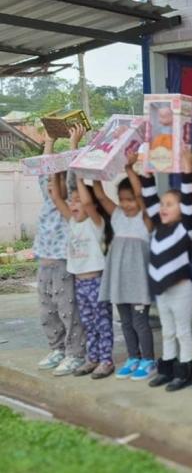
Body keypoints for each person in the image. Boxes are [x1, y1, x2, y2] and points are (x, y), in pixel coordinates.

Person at [48, 128, 113, 379]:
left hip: (97, 281)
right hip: (79, 282)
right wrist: (56, 167)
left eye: (78, 201)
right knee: (88, 323)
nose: (74, 204)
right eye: (72, 201)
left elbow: (86, 201)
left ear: (91, 206)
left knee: (102, 322)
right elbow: (56, 197)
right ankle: (92, 358)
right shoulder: (73, 222)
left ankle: (106, 360)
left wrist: (76, 151)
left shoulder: (96, 222)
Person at [93, 151, 155, 381]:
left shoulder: (145, 219)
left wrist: (129, 169)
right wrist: (93, 171)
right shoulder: (117, 216)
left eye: (130, 200)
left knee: (140, 322)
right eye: (122, 200)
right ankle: (133, 357)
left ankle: (148, 359)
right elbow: (100, 197)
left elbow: (140, 194)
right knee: (126, 323)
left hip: (138, 282)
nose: (126, 204)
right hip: (119, 280)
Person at [141, 147, 192, 391]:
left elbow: (189, 199)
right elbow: (149, 198)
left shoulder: (186, 228)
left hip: (181, 289)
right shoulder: (158, 227)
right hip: (162, 290)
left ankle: (184, 372)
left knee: (183, 332)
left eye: (170, 204)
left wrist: (186, 170)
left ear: (181, 209)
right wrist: (146, 173)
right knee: (167, 330)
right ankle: (167, 369)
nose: (163, 208)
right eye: (162, 204)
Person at [34, 129, 85, 376]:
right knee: (48, 311)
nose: (52, 185)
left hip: (65, 264)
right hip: (44, 265)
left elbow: (74, 177)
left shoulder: (70, 208)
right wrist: (50, 142)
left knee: (69, 310)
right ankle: (57, 349)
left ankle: (76, 353)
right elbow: (44, 172)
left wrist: (74, 144)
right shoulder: (47, 200)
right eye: (51, 182)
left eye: (58, 181)